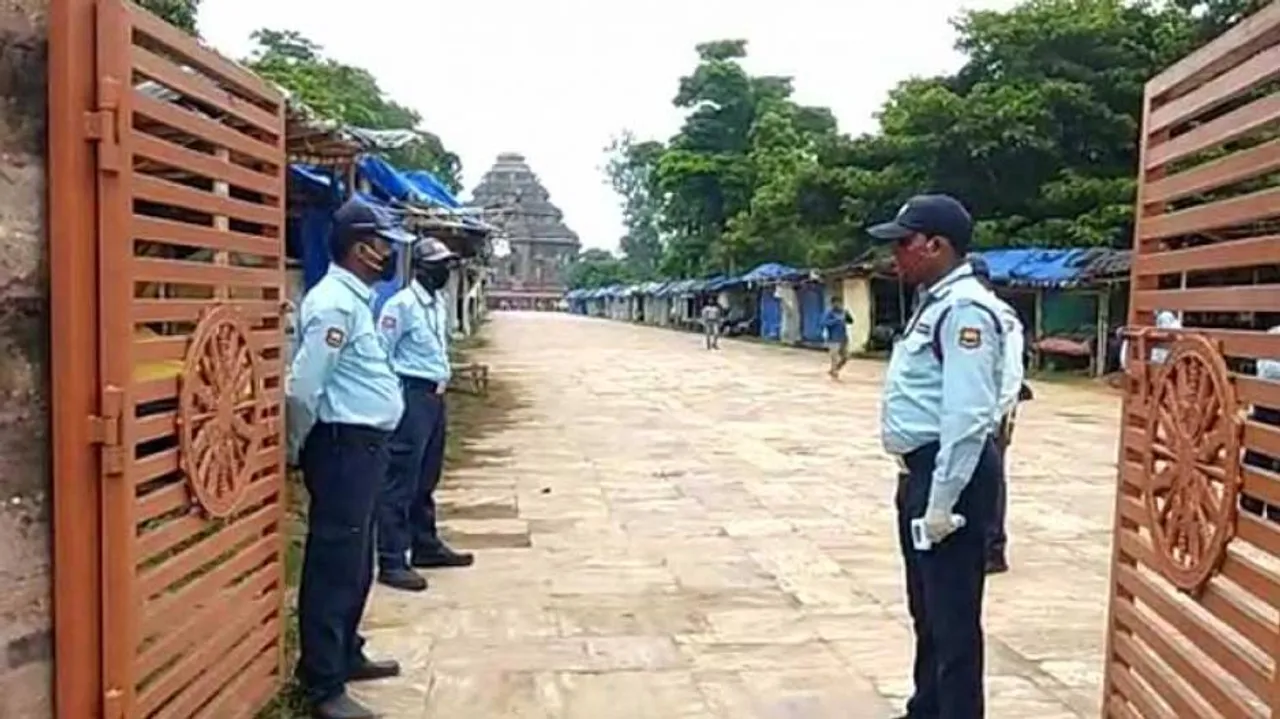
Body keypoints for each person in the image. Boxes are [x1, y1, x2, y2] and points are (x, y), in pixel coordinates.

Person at [870, 194, 1005, 719]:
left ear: (936, 244)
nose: (896, 255)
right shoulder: (935, 302)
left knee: (952, 622)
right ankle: (925, 710)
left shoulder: (965, 309)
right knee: (926, 612)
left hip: (952, 477)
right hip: (922, 473)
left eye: (903, 243)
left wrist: (942, 502)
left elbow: (968, 417)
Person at [286, 197, 414, 719]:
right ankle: (322, 684)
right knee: (335, 563)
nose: (389, 255)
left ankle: (345, 650)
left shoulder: (355, 299)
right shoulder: (335, 303)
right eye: (384, 246)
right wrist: (295, 450)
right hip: (342, 446)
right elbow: (301, 389)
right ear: (362, 249)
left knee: (357, 559)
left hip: (364, 446)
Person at [375, 237, 475, 592]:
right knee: (401, 478)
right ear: (420, 268)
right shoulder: (400, 306)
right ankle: (391, 559)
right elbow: (382, 355)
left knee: (426, 476)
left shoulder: (437, 303)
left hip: (435, 396)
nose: (445, 272)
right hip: (410, 395)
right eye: (438, 266)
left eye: (447, 265)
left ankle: (425, 545)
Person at [968, 254, 1028, 575]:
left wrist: (996, 417)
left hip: (994, 413)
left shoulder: (1001, 316)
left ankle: (994, 547)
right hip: (977, 412)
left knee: (991, 478)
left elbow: (1011, 373)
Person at [821, 296, 855, 379]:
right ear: (833, 304)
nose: (839, 305)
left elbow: (851, 321)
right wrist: (836, 320)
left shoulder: (843, 312)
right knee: (834, 357)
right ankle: (834, 372)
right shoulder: (829, 312)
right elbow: (823, 323)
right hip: (833, 339)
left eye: (840, 303)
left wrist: (847, 315)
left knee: (846, 357)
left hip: (843, 338)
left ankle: (834, 369)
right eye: (837, 303)